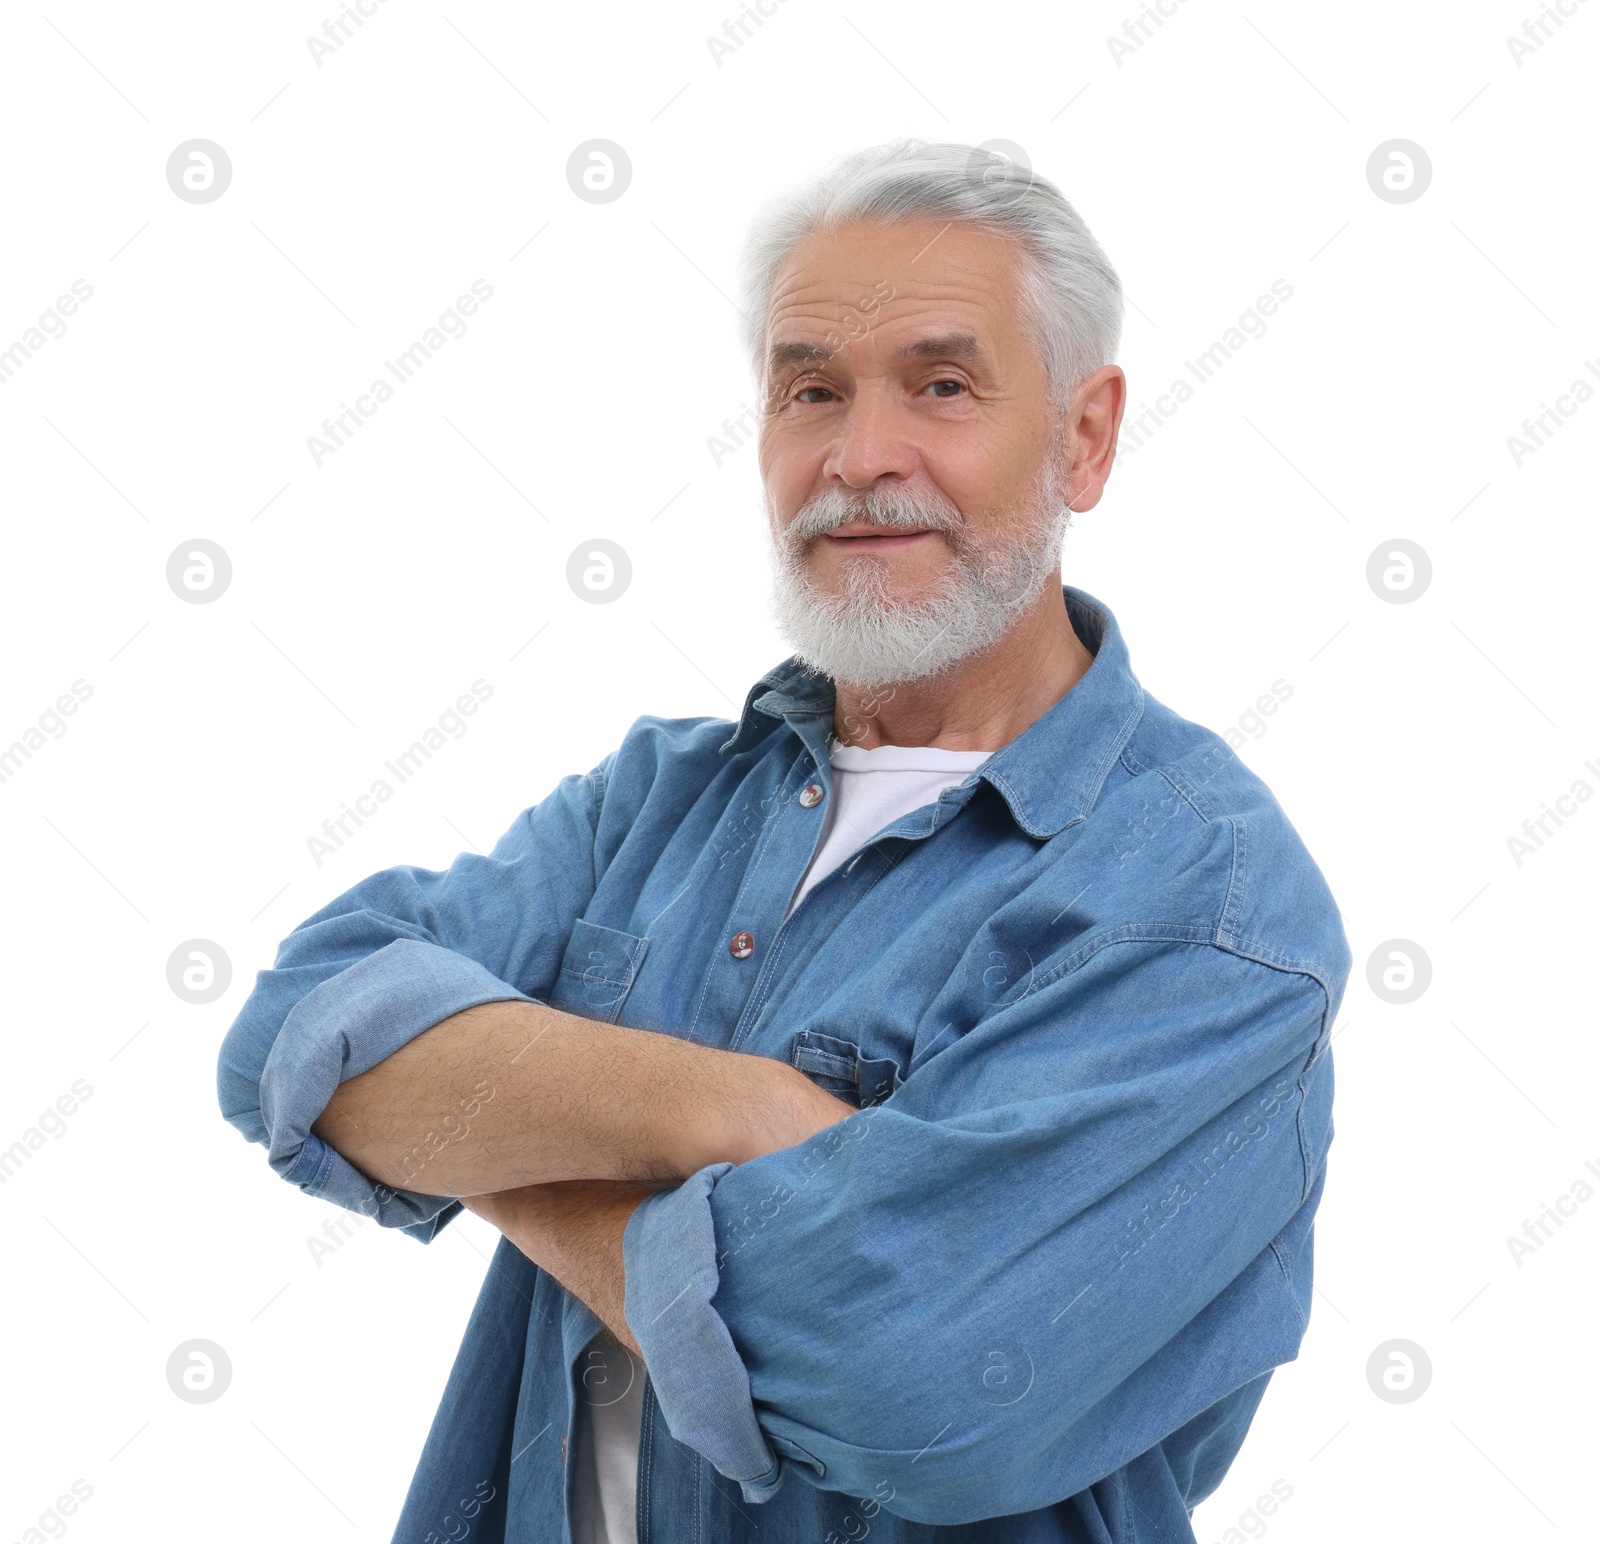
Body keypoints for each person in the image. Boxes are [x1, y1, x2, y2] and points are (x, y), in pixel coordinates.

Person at [218, 138, 1349, 1543]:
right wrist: (727, 1116)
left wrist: (492, 1139)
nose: (861, 457)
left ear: (1085, 435)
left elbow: (899, 1377)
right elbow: (294, 1040)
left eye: (941, 386)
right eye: (811, 388)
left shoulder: (1205, 906)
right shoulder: (661, 798)